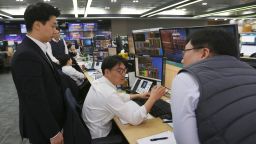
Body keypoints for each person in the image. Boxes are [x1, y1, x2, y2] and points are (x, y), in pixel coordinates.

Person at [171, 28, 256, 144]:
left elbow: (185, 141)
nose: (182, 59)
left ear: (204, 53)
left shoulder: (187, 79)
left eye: (185, 51)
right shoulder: (252, 71)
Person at [11, 3, 65, 144]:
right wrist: (52, 132)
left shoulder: (38, 48)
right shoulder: (27, 55)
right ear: (37, 25)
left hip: (50, 120)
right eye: (52, 26)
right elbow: (35, 99)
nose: (55, 31)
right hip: (43, 128)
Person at [82, 55, 166, 139]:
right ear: (107, 72)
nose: (124, 74)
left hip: (92, 129)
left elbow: (118, 96)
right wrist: (153, 98)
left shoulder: (99, 82)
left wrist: (138, 95)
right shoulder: (107, 93)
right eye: (119, 71)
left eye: (124, 70)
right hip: (101, 135)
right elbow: (135, 119)